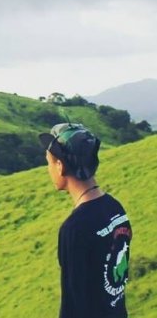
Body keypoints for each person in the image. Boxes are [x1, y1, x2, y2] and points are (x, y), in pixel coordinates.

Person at [40, 123, 132, 318]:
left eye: (49, 162)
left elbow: (74, 305)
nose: (48, 169)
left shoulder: (75, 229)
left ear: (60, 165)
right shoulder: (116, 209)